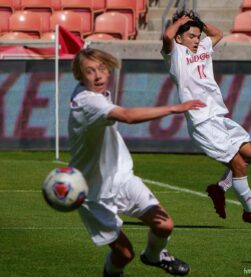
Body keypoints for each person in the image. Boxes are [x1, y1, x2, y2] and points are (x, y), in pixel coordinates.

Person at [68, 48, 205, 277]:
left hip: (121, 178)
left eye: (102, 69)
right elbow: (128, 116)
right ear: (80, 77)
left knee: (164, 226)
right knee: (124, 255)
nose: (98, 76)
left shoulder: (97, 94)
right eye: (90, 71)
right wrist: (174, 108)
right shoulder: (87, 102)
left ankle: (154, 256)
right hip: (93, 193)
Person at [161, 10, 251, 226]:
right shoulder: (175, 55)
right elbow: (167, 37)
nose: (197, 40)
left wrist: (199, 24)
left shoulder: (204, 46)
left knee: (249, 154)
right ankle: (250, 212)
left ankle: (220, 188)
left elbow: (218, 34)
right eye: (191, 36)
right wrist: (181, 21)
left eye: (198, 36)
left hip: (218, 115)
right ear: (180, 37)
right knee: (238, 165)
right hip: (202, 122)